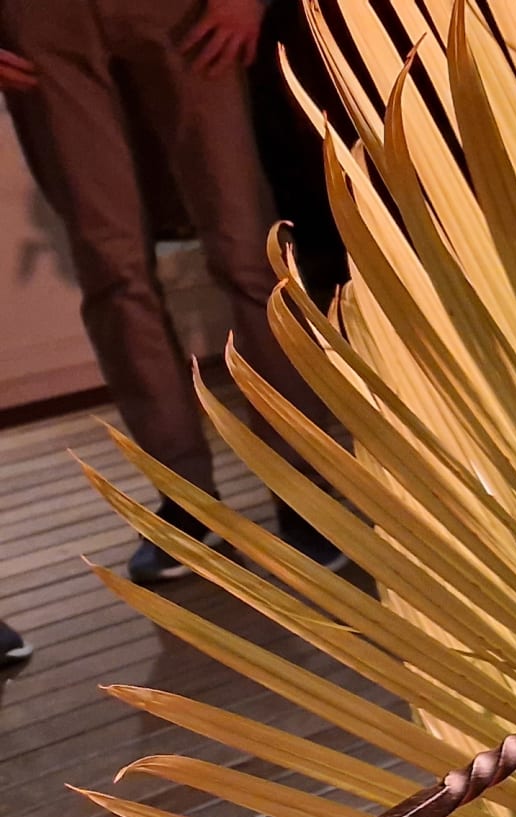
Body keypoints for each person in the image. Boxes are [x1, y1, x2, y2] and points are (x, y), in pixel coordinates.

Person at [0, 0, 343, 593]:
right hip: (40, 19)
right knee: (111, 269)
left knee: (247, 248)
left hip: (182, 10)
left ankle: (304, 482)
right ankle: (183, 496)